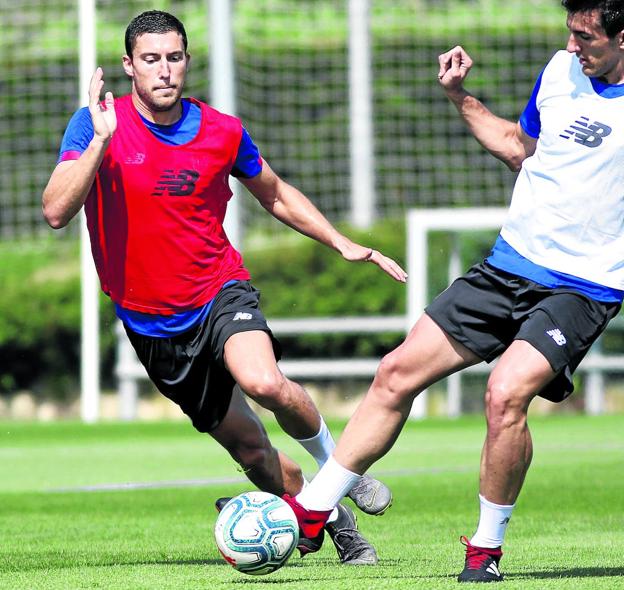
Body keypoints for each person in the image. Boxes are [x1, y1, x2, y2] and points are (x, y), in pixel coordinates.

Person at [42, 10, 408, 565]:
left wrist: (339, 241)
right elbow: (55, 211)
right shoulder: (96, 122)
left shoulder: (220, 130)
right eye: (150, 59)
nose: (164, 70)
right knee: (255, 454)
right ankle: (337, 521)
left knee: (264, 383)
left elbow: (275, 192)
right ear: (128, 66)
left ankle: (340, 470)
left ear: (187, 61)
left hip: (219, 290)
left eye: (174, 57)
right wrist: (98, 142)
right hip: (152, 325)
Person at [279, 0, 624, 582]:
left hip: (583, 286)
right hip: (508, 266)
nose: (572, 47)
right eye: (569, 33)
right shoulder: (560, 72)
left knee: (504, 394)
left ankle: (485, 550)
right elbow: (520, 148)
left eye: (585, 37)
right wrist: (459, 96)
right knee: (395, 373)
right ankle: (313, 512)